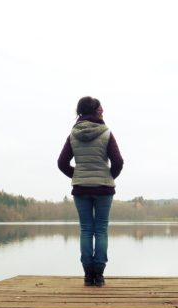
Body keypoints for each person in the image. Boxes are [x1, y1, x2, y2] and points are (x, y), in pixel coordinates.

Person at [58, 96, 124, 286]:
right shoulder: (106, 133)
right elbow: (118, 162)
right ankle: (99, 275)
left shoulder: (72, 135)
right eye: (101, 108)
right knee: (101, 229)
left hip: (81, 189)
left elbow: (61, 163)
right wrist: (108, 177)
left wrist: (77, 175)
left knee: (86, 229)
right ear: (94, 111)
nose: (103, 110)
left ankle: (88, 276)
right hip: (104, 188)